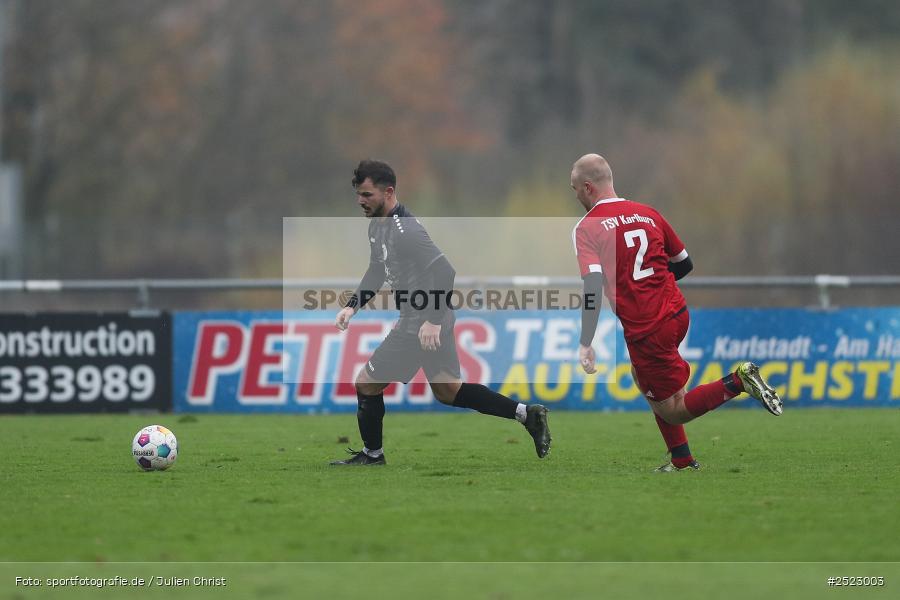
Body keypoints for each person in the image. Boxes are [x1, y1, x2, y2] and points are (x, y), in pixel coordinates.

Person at [330, 159, 551, 465]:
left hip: (420, 322)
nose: (360, 200)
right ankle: (527, 414)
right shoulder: (377, 227)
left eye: (367, 194)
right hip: (430, 319)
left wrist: (432, 321)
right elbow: (376, 270)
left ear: (389, 192)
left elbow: (446, 271)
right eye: (358, 194)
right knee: (448, 390)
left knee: (366, 383)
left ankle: (372, 454)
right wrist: (352, 305)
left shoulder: (405, 230)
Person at [570, 154, 782, 471]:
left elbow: (592, 286)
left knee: (673, 409)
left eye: (574, 189)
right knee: (644, 378)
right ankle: (681, 459)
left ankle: (738, 382)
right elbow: (684, 263)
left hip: (647, 326)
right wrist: (655, 284)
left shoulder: (587, 228)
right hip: (677, 312)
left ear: (587, 187)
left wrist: (586, 340)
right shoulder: (648, 214)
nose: (574, 195)